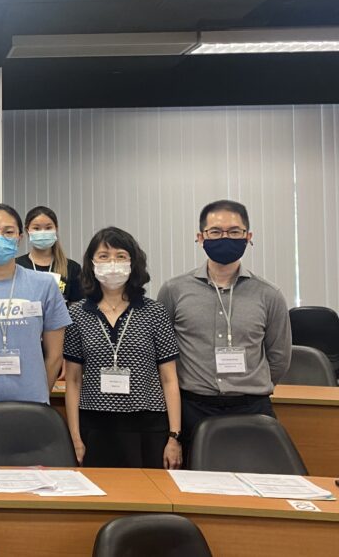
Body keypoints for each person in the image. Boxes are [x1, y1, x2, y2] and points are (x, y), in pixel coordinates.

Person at [157, 199, 292, 446]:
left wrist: (248, 385)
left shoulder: (269, 294)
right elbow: (163, 354)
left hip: (252, 407)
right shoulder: (174, 291)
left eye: (234, 232)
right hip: (192, 408)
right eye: (216, 232)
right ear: (200, 237)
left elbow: (279, 357)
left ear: (248, 236)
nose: (225, 238)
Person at [64, 227, 183, 470]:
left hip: (148, 424)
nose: (113, 264)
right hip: (95, 424)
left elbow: (169, 379)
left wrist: (174, 437)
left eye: (121, 256)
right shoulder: (77, 313)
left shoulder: (154, 311)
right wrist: (76, 437)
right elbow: (73, 380)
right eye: (104, 256)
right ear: (91, 263)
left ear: (133, 263)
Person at [0, 204, 71, 448]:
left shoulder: (44, 285)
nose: (1, 238)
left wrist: (39, 395)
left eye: (9, 232)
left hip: (33, 409)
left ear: (20, 237)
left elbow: (54, 356)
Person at [16, 206, 83, 303]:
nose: (43, 232)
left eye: (48, 228)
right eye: (36, 228)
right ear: (27, 230)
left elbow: (77, 307)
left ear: (56, 229)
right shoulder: (17, 265)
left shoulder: (72, 268)